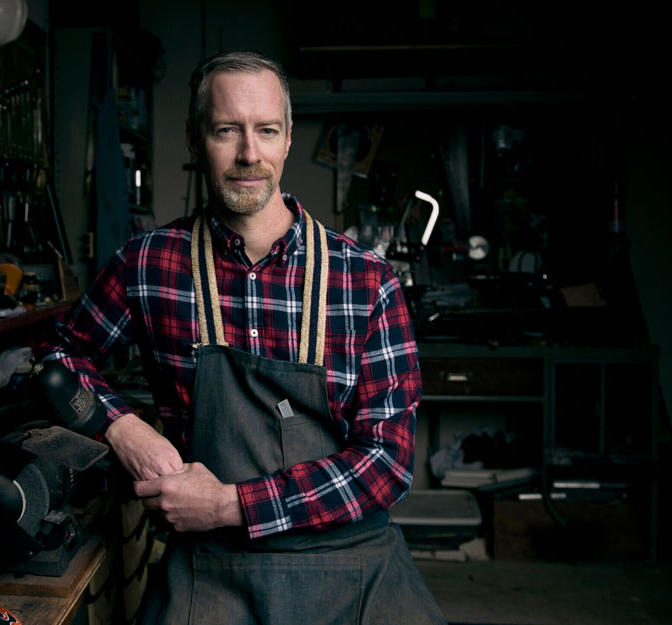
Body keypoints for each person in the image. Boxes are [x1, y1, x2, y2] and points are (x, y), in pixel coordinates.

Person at [37, 50, 445, 624]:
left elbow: (388, 462)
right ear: (194, 138)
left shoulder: (367, 282)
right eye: (228, 130)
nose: (250, 154)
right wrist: (120, 427)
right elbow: (57, 355)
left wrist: (232, 504)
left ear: (287, 139)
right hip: (210, 573)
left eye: (266, 131)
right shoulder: (148, 265)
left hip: (354, 568)